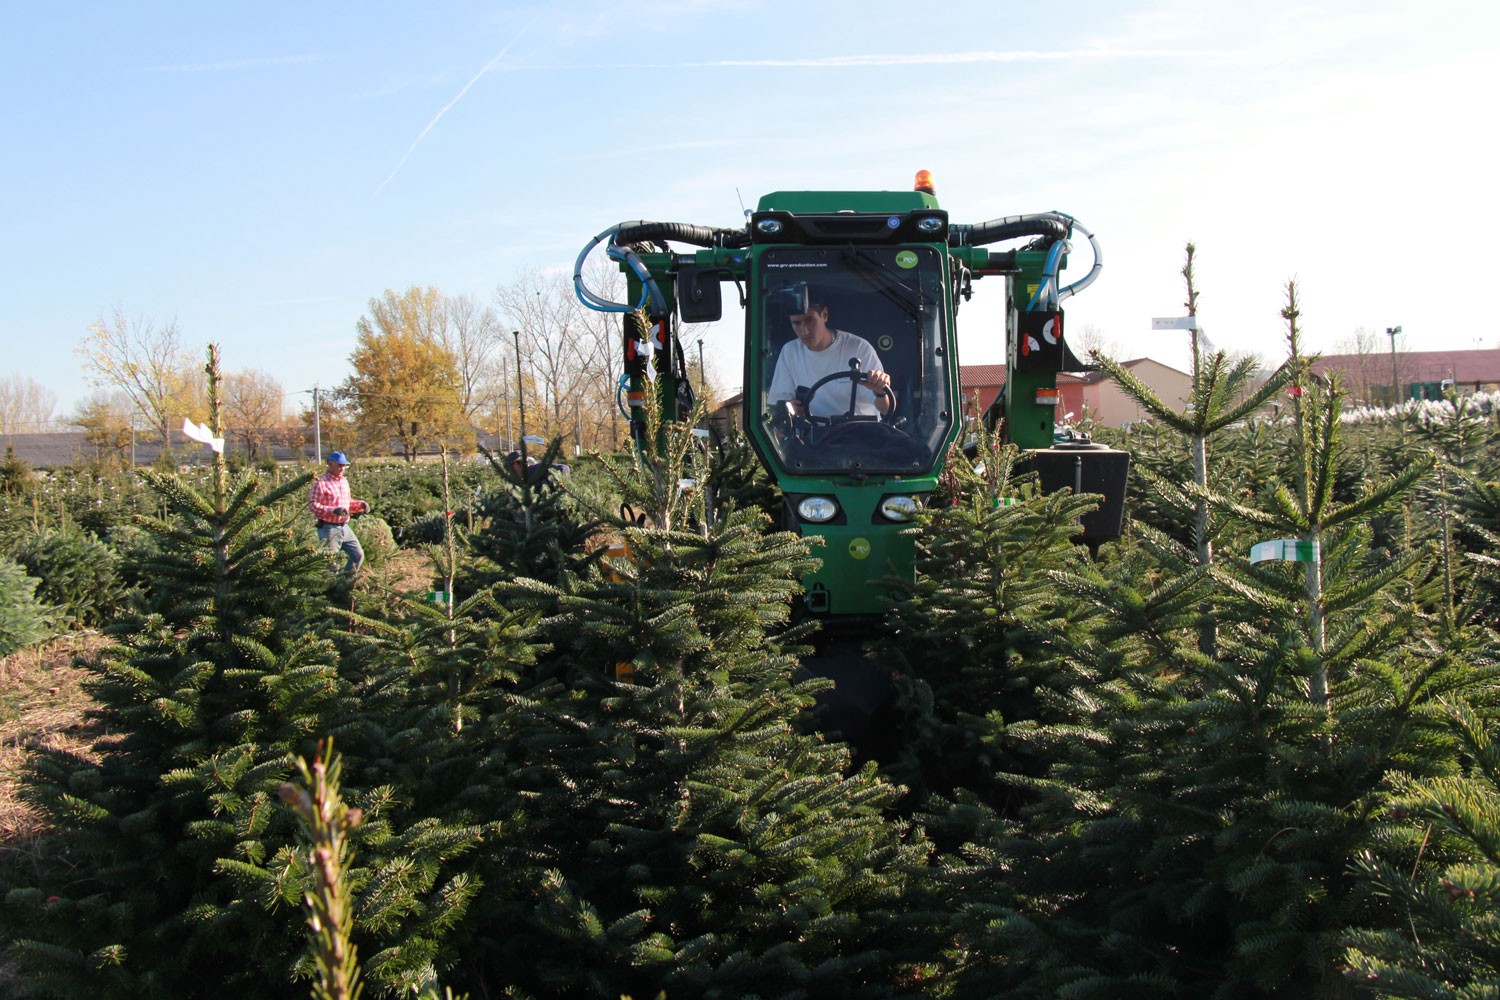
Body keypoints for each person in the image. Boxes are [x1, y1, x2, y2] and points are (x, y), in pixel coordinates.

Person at [768, 296, 893, 420]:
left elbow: (886, 409)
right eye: (797, 323)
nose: (804, 331)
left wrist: (880, 392)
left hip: (860, 433)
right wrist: (790, 408)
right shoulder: (790, 352)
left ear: (825, 315)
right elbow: (778, 406)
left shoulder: (859, 348)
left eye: (810, 320)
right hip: (815, 435)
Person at [308, 451, 365, 575]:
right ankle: (331, 590)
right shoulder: (321, 483)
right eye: (339, 465)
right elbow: (312, 505)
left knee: (358, 555)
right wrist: (332, 510)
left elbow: (347, 503)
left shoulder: (343, 482)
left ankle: (344, 584)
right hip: (329, 528)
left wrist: (360, 505)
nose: (342, 468)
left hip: (344, 527)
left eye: (344, 465)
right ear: (330, 464)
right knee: (331, 563)